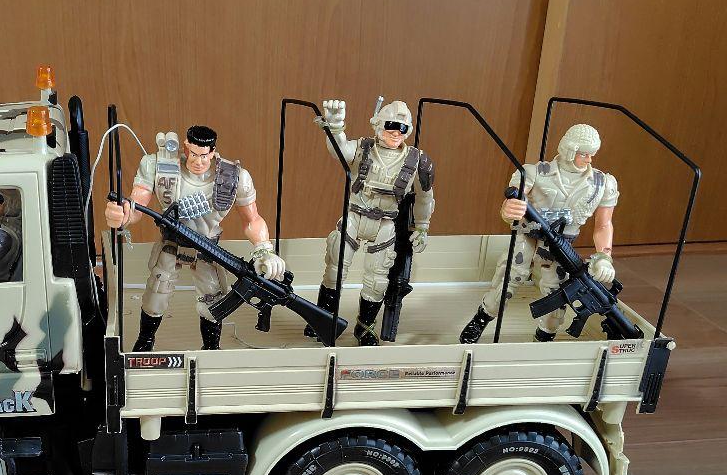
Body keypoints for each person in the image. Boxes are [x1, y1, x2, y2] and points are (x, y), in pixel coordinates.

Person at [104, 125, 285, 351]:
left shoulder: (234, 177)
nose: (198, 161)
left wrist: (264, 250)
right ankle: (145, 342)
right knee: (156, 295)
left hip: (208, 250)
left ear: (213, 152)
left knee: (212, 300)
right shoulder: (160, 167)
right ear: (186, 147)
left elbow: (253, 219)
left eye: (204, 156)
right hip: (171, 245)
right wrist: (122, 214)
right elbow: (137, 205)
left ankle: (211, 348)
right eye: (193, 154)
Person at [459, 123, 618, 343]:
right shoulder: (535, 173)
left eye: (592, 154)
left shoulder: (602, 183)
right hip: (528, 235)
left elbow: (604, 225)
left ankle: (545, 335)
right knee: (510, 277)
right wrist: (509, 209)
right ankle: (482, 318)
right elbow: (513, 203)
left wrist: (604, 257)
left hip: (563, 245)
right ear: (570, 149)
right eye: (584, 154)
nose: (589, 159)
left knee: (557, 291)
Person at [309, 98, 435, 345]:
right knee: (335, 269)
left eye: (402, 128)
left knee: (377, 281)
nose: (396, 132)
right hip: (354, 217)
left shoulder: (417, 161)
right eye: (391, 125)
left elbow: (425, 197)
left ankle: (365, 327)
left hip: (385, 225)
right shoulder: (363, 148)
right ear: (378, 124)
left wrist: (422, 227)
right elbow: (339, 150)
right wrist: (335, 125)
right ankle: (322, 319)